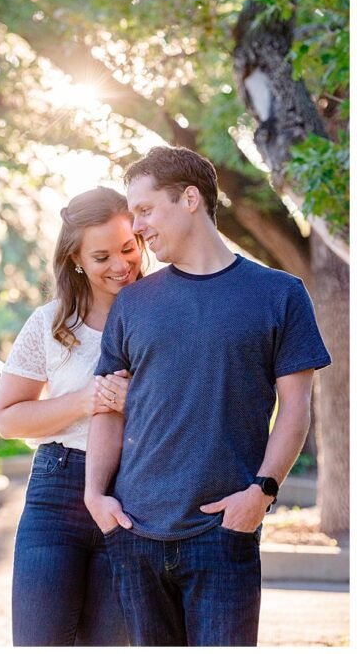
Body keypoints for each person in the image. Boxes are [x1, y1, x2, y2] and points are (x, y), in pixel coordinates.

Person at [85, 146, 331, 646]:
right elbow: (108, 408)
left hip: (224, 532)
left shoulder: (279, 293)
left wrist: (261, 493)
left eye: (146, 210)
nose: (137, 227)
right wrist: (96, 497)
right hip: (135, 531)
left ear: (190, 198)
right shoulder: (133, 302)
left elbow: (296, 408)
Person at [0, 186, 141, 645]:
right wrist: (85, 400)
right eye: (101, 257)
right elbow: (9, 419)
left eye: (128, 248)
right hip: (56, 494)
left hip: (136, 494)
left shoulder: (165, 312)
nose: (121, 265)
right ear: (76, 259)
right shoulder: (51, 322)